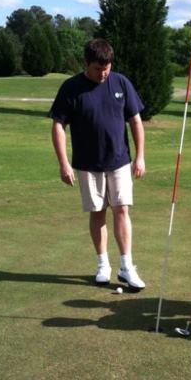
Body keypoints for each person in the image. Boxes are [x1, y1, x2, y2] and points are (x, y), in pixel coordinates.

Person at [49, 38, 146, 290]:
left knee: (122, 209)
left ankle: (127, 266)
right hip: (87, 164)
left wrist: (140, 156)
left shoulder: (121, 82)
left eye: (107, 67)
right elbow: (58, 125)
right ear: (86, 64)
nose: (103, 73)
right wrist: (63, 164)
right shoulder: (71, 87)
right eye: (97, 69)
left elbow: (135, 120)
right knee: (98, 212)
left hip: (120, 161)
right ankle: (103, 264)